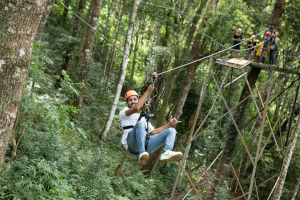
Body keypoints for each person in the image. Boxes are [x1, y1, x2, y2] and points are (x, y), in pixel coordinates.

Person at [119, 85, 183, 165]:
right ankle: (142, 153)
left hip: (146, 145)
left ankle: (167, 152)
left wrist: (169, 124)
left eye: (135, 99)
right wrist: (148, 91)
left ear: (138, 100)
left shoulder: (142, 118)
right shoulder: (124, 112)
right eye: (130, 100)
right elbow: (136, 108)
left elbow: (154, 132)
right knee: (140, 123)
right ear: (127, 103)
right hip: (131, 144)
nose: (133, 102)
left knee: (171, 130)